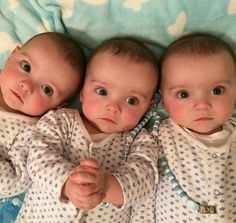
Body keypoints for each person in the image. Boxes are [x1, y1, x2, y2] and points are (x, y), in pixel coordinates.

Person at [15, 37, 160, 222]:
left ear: (148, 107)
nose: (113, 107)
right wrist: (67, 183)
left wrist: (106, 185)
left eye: (131, 100)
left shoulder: (139, 140)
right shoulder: (60, 120)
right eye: (102, 92)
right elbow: (38, 158)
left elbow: (145, 180)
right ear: (82, 92)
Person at [132, 32, 236, 223]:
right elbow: (143, 188)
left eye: (217, 90)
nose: (202, 104)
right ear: (161, 99)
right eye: (184, 94)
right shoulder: (157, 136)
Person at [0, 31, 85, 222]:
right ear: (13, 54)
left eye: (47, 89)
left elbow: (17, 179)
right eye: (26, 67)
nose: (27, 85)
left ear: (56, 107)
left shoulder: (32, 133)